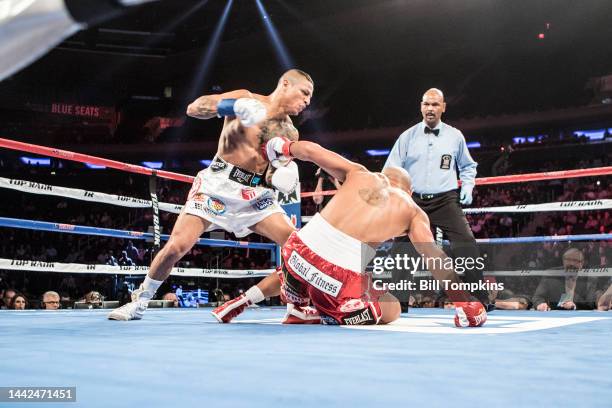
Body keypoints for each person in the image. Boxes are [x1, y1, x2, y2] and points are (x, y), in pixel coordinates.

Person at [108, 69, 314, 320]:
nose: (307, 101)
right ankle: (140, 301)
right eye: (304, 93)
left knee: (299, 247)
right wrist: (234, 105)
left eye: (310, 97)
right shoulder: (246, 97)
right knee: (177, 246)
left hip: (255, 195)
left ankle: (295, 306)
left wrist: (280, 177)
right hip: (218, 185)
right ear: (285, 84)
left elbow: (270, 173)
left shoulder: (291, 133)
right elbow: (195, 108)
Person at [217, 138, 488, 327]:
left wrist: (281, 147)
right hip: (336, 277)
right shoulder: (413, 210)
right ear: (410, 191)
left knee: (302, 263)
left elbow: (311, 151)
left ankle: (244, 299)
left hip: (294, 254)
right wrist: (464, 303)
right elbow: (435, 259)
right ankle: (349, 314)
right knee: (392, 307)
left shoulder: (359, 173)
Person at [384, 88, 489, 307]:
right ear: (421, 106)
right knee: (402, 248)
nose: (430, 109)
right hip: (413, 202)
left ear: (443, 107)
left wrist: (468, 185)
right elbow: (390, 169)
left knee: (466, 242)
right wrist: (395, 196)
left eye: (435, 105)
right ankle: (399, 301)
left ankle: (480, 299)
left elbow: (468, 166)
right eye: (426, 104)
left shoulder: (455, 135)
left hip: (445, 199)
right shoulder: (407, 136)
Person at [533, 248, 603, 311]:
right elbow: (537, 297)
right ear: (563, 261)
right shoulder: (552, 275)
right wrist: (540, 304)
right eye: (568, 260)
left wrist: (574, 305)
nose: (571, 263)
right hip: (555, 315)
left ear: (581, 263)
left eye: (575, 260)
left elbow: (590, 303)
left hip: (579, 316)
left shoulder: (589, 278)